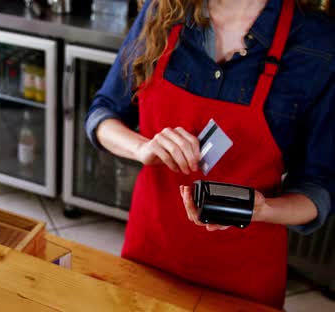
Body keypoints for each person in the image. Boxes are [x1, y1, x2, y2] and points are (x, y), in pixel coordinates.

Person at [85, 0, 335, 308]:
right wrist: (142, 147)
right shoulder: (160, 12)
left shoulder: (317, 42)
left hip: (243, 276)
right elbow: (102, 115)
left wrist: (265, 209)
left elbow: (319, 185)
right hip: (151, 252)